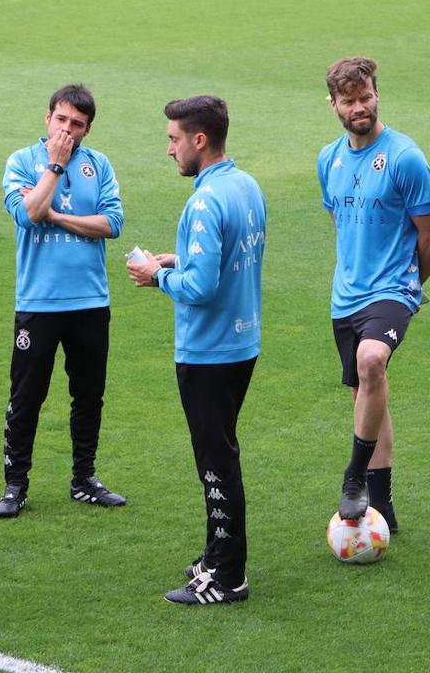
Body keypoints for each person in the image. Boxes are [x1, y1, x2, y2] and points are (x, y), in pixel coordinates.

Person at [127, 95, 265, 605]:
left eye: (173, 139)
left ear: (198, 140)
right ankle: (216, 556)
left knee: (216, 462)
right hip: (241, 341)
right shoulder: (245, 186)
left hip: (208, 351)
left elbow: (201, 287)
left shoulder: (204, 200)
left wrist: (158, 274)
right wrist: (179, 257)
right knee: (221, 453)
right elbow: (226, 259)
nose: (169, 149)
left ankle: (228, 576)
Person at [318, 57, 430, 531]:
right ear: (333, 104)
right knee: (366, 393)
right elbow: (340, 222)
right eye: (348, 101)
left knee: (373, 361)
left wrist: (408, 290)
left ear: (378, 94)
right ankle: (384, 508)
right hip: (345, 296)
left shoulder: (405, 158)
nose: (359, 107)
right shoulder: (327, 159)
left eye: (365, 97)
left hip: (392, 289)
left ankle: (355, 477)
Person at [0, 84, 126, 518]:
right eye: (62, 120)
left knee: (89, 395)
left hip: (90, 301)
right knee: (27, 396)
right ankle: (16, 485)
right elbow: (28, 213)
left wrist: (57, 216)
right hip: (38, 303)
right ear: (47, 117)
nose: (67, 130)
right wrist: (54, 165)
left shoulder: (99, 165)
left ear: (89, 128)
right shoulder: (22, 161)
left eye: (78, 124)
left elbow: (111, 223)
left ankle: (84, 478)